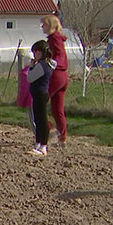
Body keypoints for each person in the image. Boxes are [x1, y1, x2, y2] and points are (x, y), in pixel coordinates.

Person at [41, 14, 69, 146]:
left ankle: (50, 130)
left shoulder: (55, 38)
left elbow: (58, 54)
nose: (42, 27)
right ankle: (62, 137)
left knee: (40, 103)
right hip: (63, 76)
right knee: (57, 109)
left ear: (50, 26)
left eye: (44, 24)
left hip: (56, 74)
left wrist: (51, 63)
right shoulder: (57, 38)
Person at [27, 40, 57, 156]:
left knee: (41, 121)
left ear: (40, 53)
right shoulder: (48, 64)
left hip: (40, 94)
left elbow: (30, 78)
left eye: (36, 52)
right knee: (38, 120)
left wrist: (31, 67)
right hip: (39, 94)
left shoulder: (41, 66)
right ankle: (38, 143)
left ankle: (43, 145)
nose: (34, 55)